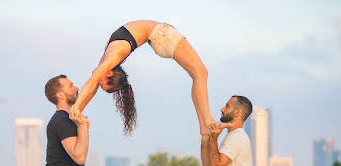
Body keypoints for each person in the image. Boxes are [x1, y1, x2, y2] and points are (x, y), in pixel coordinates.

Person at [70, 20, 231, 135]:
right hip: (161, 36)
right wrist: (77, 110)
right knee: (201, 73)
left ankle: (204, 124)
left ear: (109, 73)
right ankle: (206, 121)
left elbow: (91, 84)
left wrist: (77, 109)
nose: (97, 79)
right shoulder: (113, 57)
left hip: (159, 36)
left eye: (101, 82)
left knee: (199, 74)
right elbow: (92, 85)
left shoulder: (108, 59)